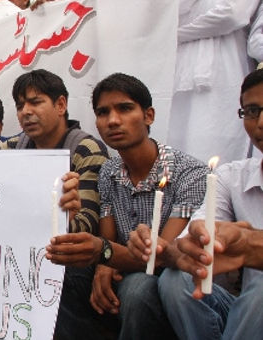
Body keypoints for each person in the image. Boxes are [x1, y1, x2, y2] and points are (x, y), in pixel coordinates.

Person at [50, 73, 208, 340]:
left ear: (148, 116)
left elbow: (162, 255)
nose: (112, 120)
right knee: (63, 269)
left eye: (124, 108)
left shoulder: (189, 173)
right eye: (103, 112)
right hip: (122, 272)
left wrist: (106, 256)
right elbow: (107, 236)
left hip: (171, 281)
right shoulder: (110, 170)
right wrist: (102, 264)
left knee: (138, 288)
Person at [147, 68, 263, 340]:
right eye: (252, 111)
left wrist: (250, 245)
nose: (260, 123)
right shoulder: (231, 177)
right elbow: (190, 240)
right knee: (176, 280)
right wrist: (173, 249)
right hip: (246, 312)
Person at [2, 69, 108, 234]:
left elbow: (86, 225)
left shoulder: (86, 150)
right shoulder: (10, 149)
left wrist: (66, 219)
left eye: (35, 102)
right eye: (20, 106)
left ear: (60, 105)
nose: (26, 112)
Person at [167, 1, 259, 164]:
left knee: (213, 143)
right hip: (178, 71)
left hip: (223, 73)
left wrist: (174, 34)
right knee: (175, 141)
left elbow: (232, 16)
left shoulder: (174, 36)